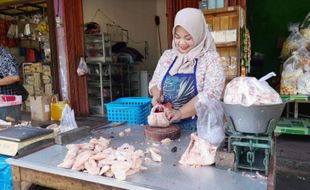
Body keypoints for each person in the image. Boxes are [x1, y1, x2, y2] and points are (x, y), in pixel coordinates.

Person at [149, 8, 225, 130]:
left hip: (200, 129)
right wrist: (156, 95)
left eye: (188, 38)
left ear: (199, 34)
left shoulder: (211, 59)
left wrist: (179, 113)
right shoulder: (168, 56)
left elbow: (210, 95)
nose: (182, 43)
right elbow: (154, 83)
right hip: (167, 126)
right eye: (177, 37)